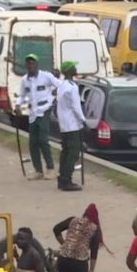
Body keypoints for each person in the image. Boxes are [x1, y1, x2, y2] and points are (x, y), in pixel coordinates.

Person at [54, 204, 107, 272]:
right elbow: (94, 252)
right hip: (79, 261)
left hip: (63, 259)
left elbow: (56, 229)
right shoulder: (94, 228)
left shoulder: (72, 220)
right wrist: (91, 271)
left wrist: (64, 244)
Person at [18, 53, 59, 179]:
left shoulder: (46, 76)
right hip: (33, 113)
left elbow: (60, 85)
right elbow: (22, 95)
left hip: (44, 110)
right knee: (33, 142)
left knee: (43, 139)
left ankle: (51, 168)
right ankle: (38, 170)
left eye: (33, 63)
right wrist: (18, 105)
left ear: (37, 64)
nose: (31, 65)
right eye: (29, 63)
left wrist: (53, 97)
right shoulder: (25, 80)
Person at [55, 60, 85, 191]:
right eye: (74, 67)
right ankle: (67, 179)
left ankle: (62, 178)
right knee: (73, 153)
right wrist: (83, 120)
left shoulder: (62, 86)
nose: (76, 69)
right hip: (72, 125)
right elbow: (76, 107)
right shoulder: (72, 87)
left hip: (63, 124)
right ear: (69, 71)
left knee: (65, 151)